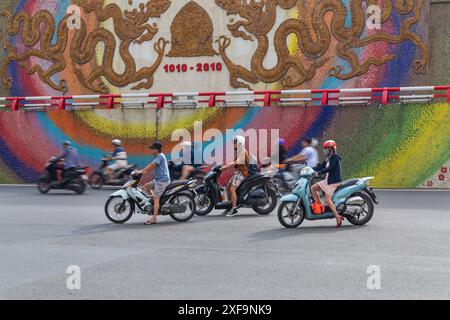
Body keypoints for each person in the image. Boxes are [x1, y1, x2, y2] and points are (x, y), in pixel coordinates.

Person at [311, 140, 343, 227]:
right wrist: (311, 169)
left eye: (327, 149)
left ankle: (337, 217)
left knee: (328, 199)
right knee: (313, 188)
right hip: (327, 180)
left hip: (333, 182)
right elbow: (321, 166)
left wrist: (319, 173)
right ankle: (321, 207)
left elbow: (330, 168)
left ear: (331, 149)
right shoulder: (328, 157)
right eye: (325, 149)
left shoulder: (335, 157)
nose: (325, 151)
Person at [137, 142, 171, 225]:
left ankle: (154, 218)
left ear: (156, 149)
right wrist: (143, 171)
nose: (151, 150)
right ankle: (154, 206)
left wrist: (142, 171)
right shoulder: (158, 156)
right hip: (158, 180)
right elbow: (151, 165)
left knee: (156, 198)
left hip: (162, 181)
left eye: (152, 148)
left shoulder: (160, 156)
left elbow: (152, 165)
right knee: (146, 186)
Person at [220, 136, 251, 217]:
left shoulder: (243, 151)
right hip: (238, 172)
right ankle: (229, 206)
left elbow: (236, 162)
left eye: (235, 142)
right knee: (227, 187)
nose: (233, 144)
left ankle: (234, 208)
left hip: (242, 173)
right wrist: (225, 166)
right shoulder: (239, 151)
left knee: (232, 189)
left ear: (240, 143)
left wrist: (226, 166)